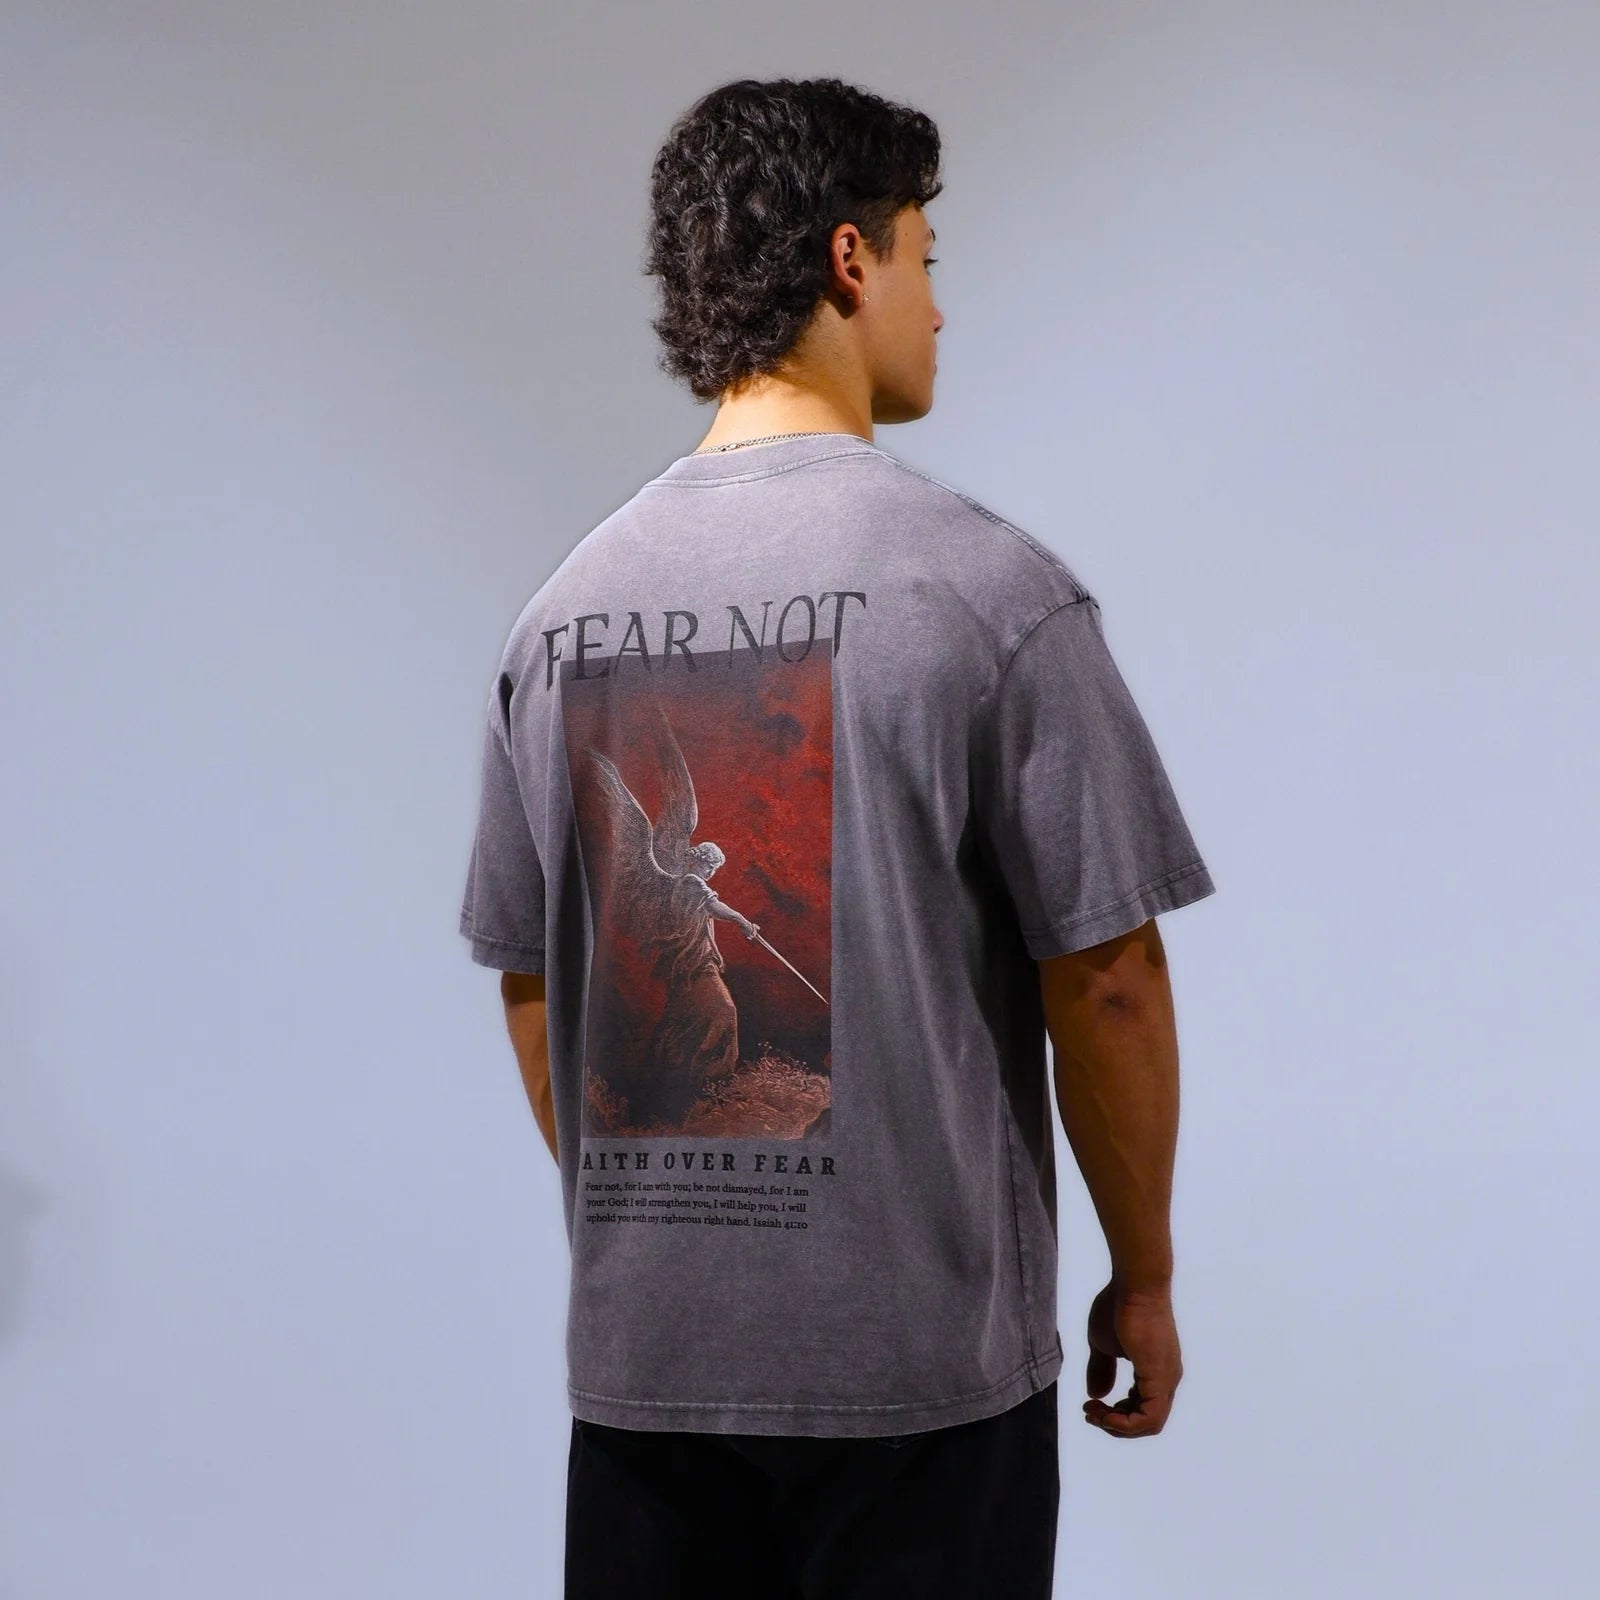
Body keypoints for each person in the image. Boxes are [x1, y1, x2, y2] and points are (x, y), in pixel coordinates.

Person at [458, 75, 1217, 1599]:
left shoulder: (559, 621)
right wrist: (1143, 1275)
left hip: (650, 1380)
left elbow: (533, 983)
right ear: (850, 260)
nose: (940, 307)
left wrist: (655, 1216)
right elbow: (1111, 979)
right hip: (917, 1389)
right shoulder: (989, 595)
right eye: (929, 257)